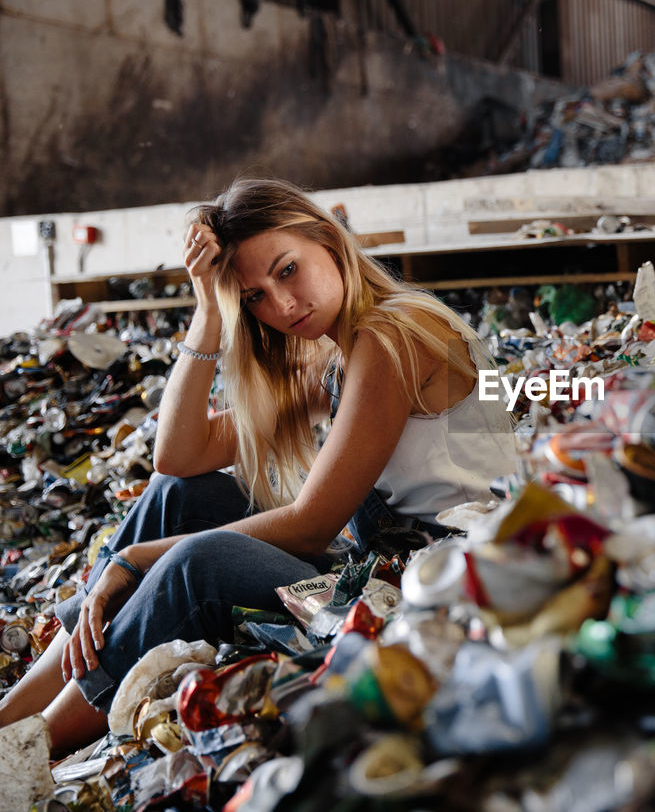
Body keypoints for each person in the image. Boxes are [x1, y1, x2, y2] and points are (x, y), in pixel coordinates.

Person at [0, 178, 517, 755]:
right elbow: (179, 455)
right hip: (379, 564)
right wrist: (206, 312)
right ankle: (8, 717)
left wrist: (138, 558)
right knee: (178, 497)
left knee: (197, 561)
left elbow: (311, 524)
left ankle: (32, 750)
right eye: (254, 297)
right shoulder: (339, 353)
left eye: (288, 269)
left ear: (327, 238)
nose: (282, 305)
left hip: (436, 584)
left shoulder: (394, 333)